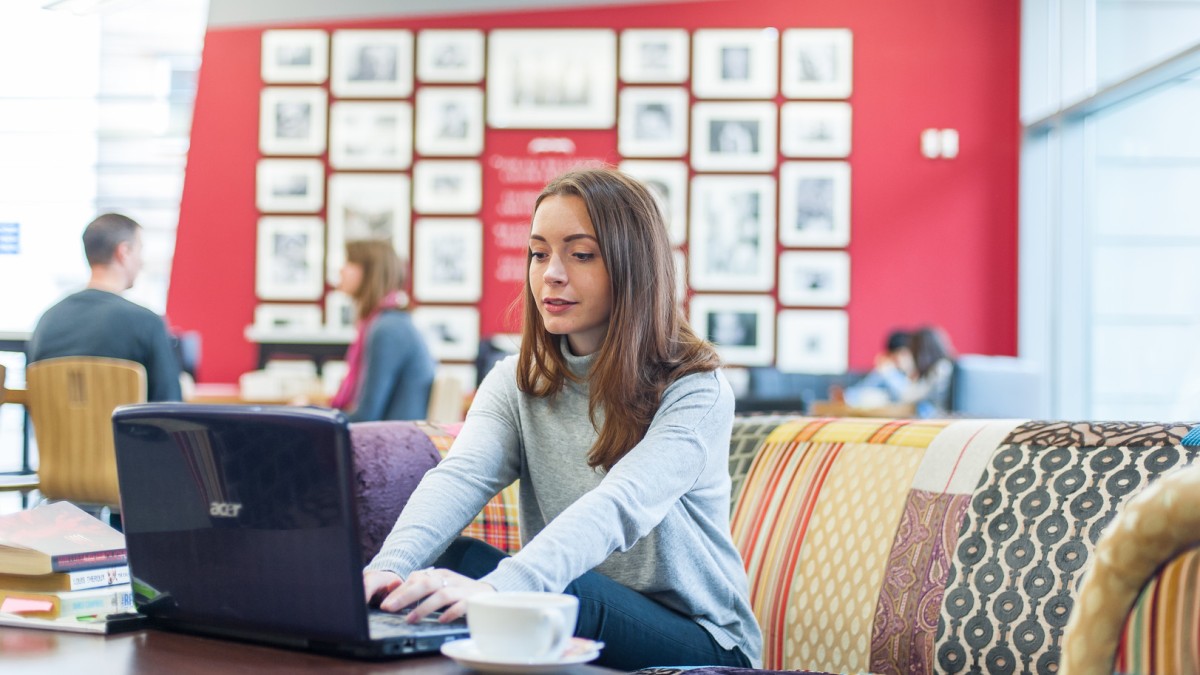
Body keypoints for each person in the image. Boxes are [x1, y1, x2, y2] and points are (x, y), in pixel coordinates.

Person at [362, 168, 762, 671]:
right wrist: (389, 569)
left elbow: (620, 503)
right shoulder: (516, 380)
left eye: (581, 254)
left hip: (704, 639)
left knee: (558, 592)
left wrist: (503, 590)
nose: (551, 273)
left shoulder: (695, 388)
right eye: (538, 253)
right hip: (572, 601)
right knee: (447, 563)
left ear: (632, 266)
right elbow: (460, 477)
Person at [27, 213, 182, 402]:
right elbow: (168, 403)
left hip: (52, 423)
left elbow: (33, 400)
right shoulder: (148, 323)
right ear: (124, 252)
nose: (142, 262)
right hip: (120, 424)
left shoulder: (46, 321)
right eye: (140, 250)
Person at [328, 239, 435, 422]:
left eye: (349, 262)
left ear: (370, 272)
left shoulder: (387, 330)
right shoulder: (391, 323)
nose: (341, 270)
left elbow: (366, 416)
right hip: (392, 433)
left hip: (390, 437)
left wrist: (311, 414)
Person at [842, 329, 913, 407]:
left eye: (906, 354)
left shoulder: (909, 373)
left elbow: (906, 395)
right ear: (890, 355)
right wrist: (887, 371)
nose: (905, 359)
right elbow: (861, 390)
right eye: (902, 354)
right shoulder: (885, 371)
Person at [905, 325, 957, 417]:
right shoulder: (946, 366)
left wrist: (911, 373)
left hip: (941, 417)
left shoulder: (939, 369)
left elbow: (909, 398)